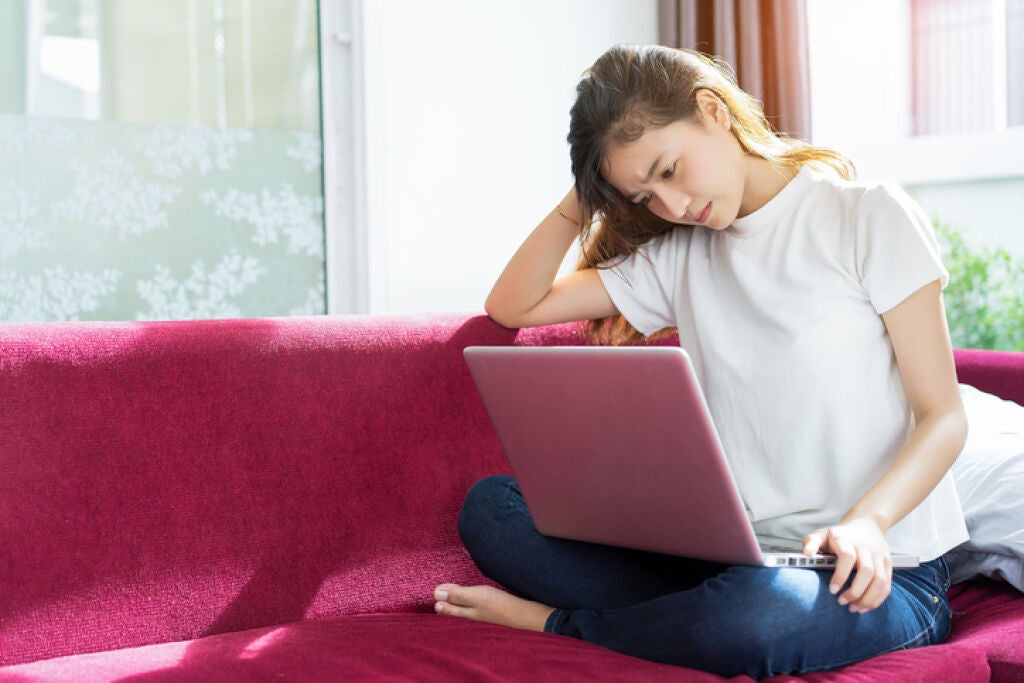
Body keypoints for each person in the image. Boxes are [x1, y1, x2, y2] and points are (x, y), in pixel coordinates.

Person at [433, 44, 969, 679]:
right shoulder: (682, 256)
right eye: (645, 195)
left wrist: (867, 524)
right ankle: (680, 620)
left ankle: (560, 624)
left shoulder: (866, 215)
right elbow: (514, 305)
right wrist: (589, 189)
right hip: (732, 560)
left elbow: (943, 416)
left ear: (713, 110)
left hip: (880, 572)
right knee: (491, 510)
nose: (674, 205)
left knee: (757, 614)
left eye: (669, 169)